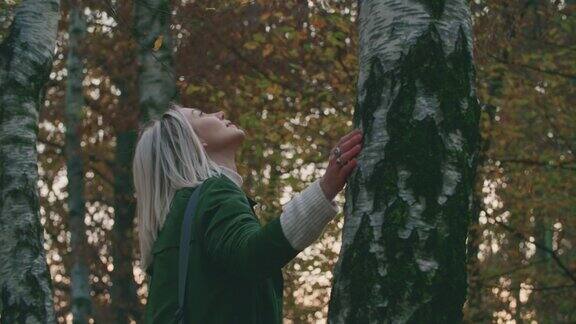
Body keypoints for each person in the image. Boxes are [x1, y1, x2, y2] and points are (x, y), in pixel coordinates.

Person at [132, 102, 363, 323]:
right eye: (201, 115)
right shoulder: (212, 193)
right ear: (194, 142)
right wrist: (325, 189)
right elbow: (253, 254)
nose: (220, 113)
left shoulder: (181, 215)